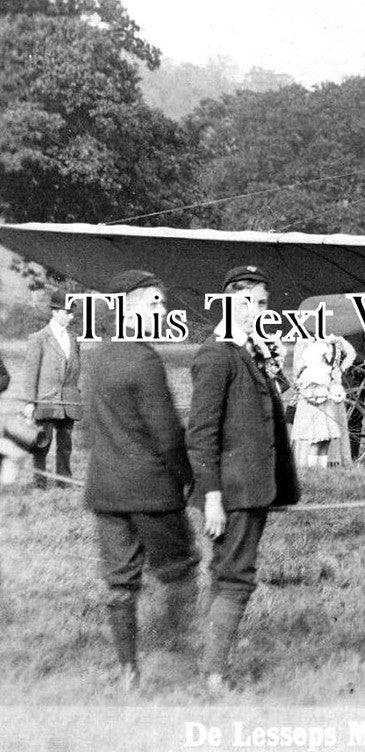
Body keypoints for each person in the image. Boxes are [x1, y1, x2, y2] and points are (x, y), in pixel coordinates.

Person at [187, 265, 300, 692]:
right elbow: (201, 433)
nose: (261, 312)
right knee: (235, 577)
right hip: (233, 490)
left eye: (264, 304)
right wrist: (212, 495)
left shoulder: (248, 351)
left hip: (251, 486)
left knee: (227, 573)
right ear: (233, 303)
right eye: (255, 303)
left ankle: (205, 665)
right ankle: (213, 676)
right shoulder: (217, 354)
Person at [84, 270, 198, 691]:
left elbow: (90, 424)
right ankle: (177, 656)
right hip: (152, 491)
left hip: (106, 490)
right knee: (181, 570)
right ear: (128, 306)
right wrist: (189, 477)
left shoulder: (96, 356)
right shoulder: (144, 358)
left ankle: (128, 671)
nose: (163, 309)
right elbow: (167, 433)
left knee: (119, 583)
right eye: (154, 302)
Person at [17, 288, 80, 488]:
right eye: (67, 312)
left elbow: (76, 368)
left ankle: (64, 482)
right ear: (55, 311)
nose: (71, 316)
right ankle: (40, 483)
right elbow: (30, 372)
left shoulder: (74, 339)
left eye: (72, 312)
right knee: (42, 444)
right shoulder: (39, 338)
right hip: (46, 401)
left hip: (68, 401)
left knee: (66, 445)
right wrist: (30, 402)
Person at [291, 334, 356, 467]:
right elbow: (298, 368)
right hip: (314, 390)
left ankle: (327, 464)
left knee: (328, 433)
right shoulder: (306, 340)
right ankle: (310, 466)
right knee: (316, 434)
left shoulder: (335, 338)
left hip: (331, 388)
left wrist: (339, 370)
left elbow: (351, 353)